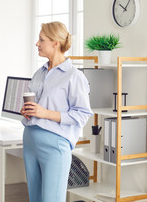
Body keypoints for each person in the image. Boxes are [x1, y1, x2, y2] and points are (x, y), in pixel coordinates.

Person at [20, 21, 93, 202]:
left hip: (54, 146)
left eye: (41, 40)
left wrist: (45, 113)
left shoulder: (74, 76)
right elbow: (38, 106)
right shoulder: (40, 72)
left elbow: (82, 114)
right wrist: (28, 111)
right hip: (30, 141)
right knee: (35, 199)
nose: (37, 43)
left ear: (55, 43)